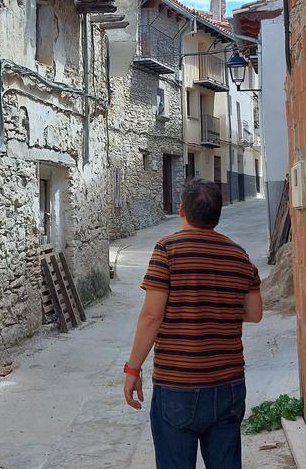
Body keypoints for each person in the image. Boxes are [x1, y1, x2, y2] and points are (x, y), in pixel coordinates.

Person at [122, 179, 263, 469]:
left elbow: (151, 316)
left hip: (178, 386)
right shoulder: (240, 256)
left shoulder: (167, 250)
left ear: (181, 210)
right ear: (218, 214)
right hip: (229, 386)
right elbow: (254, 313)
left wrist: (133, 368)